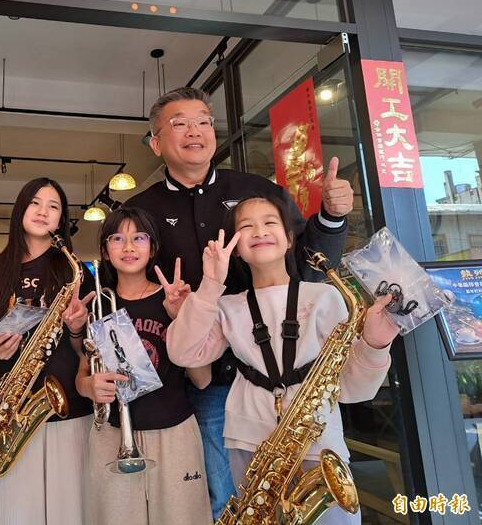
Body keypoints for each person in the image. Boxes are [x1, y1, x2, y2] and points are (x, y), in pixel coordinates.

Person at [124, 86, 354, 517]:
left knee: (307, 492)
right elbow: (131, 288)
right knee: (229, 496)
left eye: (203, 121)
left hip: (283, 371)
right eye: (179, 123)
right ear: (156, 143)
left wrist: (332, 216)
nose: (195, 131)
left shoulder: (255, 190)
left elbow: (307, 264)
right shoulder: (141, 211)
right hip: (204, 375)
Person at [167, 194, 398, 524]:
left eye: (270, 222)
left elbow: (354, 390)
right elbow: (183, 352)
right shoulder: (226, 305)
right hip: (247, 440)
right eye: (246, 226)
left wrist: (375, 344)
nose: (259, 231)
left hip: (316, 440)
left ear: (290, 239)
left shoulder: (325, 296)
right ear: (234, 246)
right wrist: (210, 284)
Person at [76, 206, 211, 525]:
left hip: (174, 432)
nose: (128, 247)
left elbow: (202, 379)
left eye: (139, 237)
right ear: (105, 251)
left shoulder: (175, 299)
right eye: (117, 238)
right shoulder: (97, 304)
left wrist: (182, 319)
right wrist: (88, 387)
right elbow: (83, 372)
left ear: (153, 247)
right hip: (112, 436)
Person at [0, 177, 95, 525]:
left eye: (53, 206)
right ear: (20, 210)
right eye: (35, 203)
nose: (43, 212)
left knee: (70, 511)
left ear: (61, 219)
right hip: (11, 411)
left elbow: (90, 347)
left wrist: (78, 327)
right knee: (18, 512)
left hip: (71, 407)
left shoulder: (75, 272)